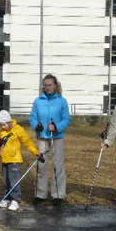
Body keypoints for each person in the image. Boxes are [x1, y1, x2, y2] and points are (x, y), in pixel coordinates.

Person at [29, 74, 71, 206]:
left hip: (57, 137)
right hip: (42, 137)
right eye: (45, 85)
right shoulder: (38, 101)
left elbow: (66, 119)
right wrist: (36, 125)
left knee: (58, 165)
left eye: (50, 85)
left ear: (55, 85)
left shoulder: (62, 101)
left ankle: (58, 195)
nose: (47, 87)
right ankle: (40, 194)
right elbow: (33, 117)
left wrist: (57, 126)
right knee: (41, 165)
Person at [0, 110, 41, 211]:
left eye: (4, 124)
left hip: (15, 160)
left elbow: (27, 142)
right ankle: (7, 198)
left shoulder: (18, 130)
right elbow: (1, 144)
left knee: (14, 181)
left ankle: (15, 200)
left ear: (9, 122)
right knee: (6, 181)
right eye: (1, 125)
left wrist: (36, 152)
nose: (2, 127)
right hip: (5, 160)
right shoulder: (2, 132)